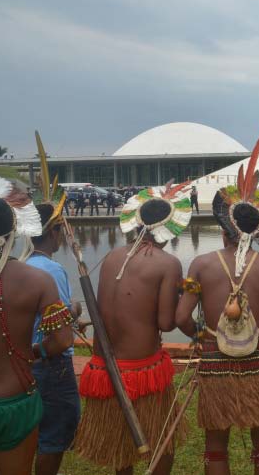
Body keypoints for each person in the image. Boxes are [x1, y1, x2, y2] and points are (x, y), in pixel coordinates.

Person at [176, 122, 259, 474]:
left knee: (216, 447)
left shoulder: (200, 264)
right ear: (256, 227)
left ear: (223, 226)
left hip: (216, 359)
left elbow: (182, 318)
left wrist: (203, 338)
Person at [0, 141, 73, 475]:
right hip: (16, 400)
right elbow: (63, 342)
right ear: (15, 226)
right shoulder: (37, 280)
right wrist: (34, 352)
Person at [73, 184, 192, 474]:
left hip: (105, 366)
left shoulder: (112, 256)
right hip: (141, 368)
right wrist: (184, 298)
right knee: (161, 443)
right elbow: (166, 322)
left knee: (121, 448)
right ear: (170, 228)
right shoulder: (168, 264)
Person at [28, 134, 81, 475]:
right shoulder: (51, 269)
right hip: (52, 362)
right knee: (56, 432)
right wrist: (75, 313)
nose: (63, 236)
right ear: (52, 233)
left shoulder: (21, 266)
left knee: (40, 430)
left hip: (29, 363)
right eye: (60, 230)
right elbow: (59, 331)